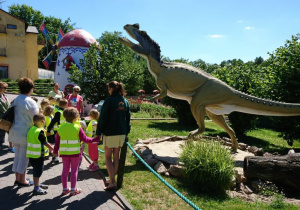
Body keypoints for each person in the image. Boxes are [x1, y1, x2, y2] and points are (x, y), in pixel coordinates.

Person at [53, 107, 99, 196]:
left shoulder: (61, 128)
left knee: (65, 170)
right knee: (74, 171)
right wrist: (94, 139)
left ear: (64, 116)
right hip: (75, 153)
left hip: (64, 153)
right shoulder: (77, 127)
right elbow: (85, 139)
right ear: (76, 116)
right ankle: (73, 190)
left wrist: (55, 151)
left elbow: (57, 142)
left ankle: (65, 189)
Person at [96, 81, 131, 190]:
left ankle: (112, 181)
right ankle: (112, 179)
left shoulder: (109, 101)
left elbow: (102, 118)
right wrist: (126, 132)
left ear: (111, 88)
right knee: (116, 157)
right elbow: (128, 119)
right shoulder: (125, 101)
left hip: (110, 133)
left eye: (108, 88)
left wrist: (98, 132)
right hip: (121, 133)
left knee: (107, 157)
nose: (108, 90)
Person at [9, 77, 39, 187]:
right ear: (31, 89)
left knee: (17, 156)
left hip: (14, 132)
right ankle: (22, 180)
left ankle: (18, 178)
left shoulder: (16, 100)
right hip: (25, 133)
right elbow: (35, 119)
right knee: (24, 158)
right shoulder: (30, 102)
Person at [26, 113, 54, 195]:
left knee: (36, 170)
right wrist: (53, 149)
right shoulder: (40, 132)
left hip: (31, 155)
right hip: (38, 156)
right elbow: (45, 142)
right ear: (42, 121)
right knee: (38, 171)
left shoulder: (31, 129)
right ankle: (36, 188)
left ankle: (37, 183)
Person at [46, 98, 68, 164]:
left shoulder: (64, 111)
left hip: (63, 130)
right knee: (57, 144)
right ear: (65, 105)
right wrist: (48, 130)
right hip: (58, 131)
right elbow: (53, 122)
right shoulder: (59, 112)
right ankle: (55, 157)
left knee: (61, 144)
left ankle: (58, 156)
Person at [0, 81, 13, 152]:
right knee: (1, 132)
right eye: (4, 87)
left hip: (6, 117)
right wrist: (8, 114)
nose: (5, 89)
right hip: (2, 117)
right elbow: (2, 108)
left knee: (7, 131)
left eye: (6, 87)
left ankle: (4, 145)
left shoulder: (4, 95)